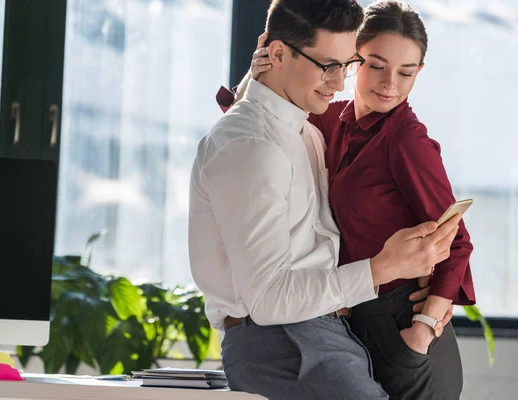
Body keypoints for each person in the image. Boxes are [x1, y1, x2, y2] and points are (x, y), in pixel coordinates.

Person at [190, 0, 460, 399]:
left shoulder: (308, 130)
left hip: (330, 333)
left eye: (345, 64)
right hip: (286, 340)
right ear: (278, 53)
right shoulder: (252, 146)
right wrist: (381, 268)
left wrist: (431, 313)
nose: (338, 83)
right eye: (327, 66)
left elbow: (457, 237)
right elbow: (268, 300)